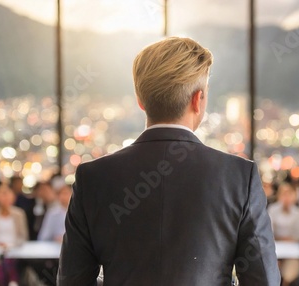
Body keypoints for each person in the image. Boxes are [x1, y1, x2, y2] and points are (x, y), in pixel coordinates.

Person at [58, 37, 280, 286]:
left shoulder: (93, 177)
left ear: (141, 101)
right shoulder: (239, 176)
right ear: (198, 100)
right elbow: (264, 280)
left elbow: (72, 280)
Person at [0, 183, 28, 286]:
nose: (5, 197)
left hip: (15, 249)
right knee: (0, 261)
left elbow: (23, 236)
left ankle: (11, 281)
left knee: (9, 259)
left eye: (7, 194)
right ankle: (11, 281)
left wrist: (12, 246)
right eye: (2, 194)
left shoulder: (19, 214)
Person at [268, 183, 299, 286]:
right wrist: (283, 239)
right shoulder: (272, 210)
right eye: (284, 194)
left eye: (289, 194)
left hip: (293, 253)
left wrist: (282, 239)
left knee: (290, 271)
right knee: (271, 268)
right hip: (274, 252)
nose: (286, 197)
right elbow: (268, 234)